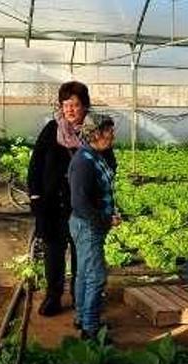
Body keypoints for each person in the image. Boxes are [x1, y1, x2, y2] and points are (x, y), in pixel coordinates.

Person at [27, 81, 116, 317]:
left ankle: (81, 297)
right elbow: (35, 165)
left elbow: (109, 165)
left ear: (84, 106)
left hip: (82, 205)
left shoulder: (94, 132)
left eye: (75, 105)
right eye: (65, 104)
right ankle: (53, 296)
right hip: (52, 205)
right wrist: (35, 197)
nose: (69, 109)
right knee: (53, 251)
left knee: (82, 253)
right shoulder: (51, 130)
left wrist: (103, 202)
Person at [68, 113, 119, 339]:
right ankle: (90, 329)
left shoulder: (98, 155)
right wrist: (106, 219)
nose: (113, 134)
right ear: (96, 133)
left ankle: (81, 317)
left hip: (91, 224)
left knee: (84, 274)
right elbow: (80, 204)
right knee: (96, 277)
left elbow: (106, 181)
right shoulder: (83, 162)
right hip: (87, 226)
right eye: (109, 131)